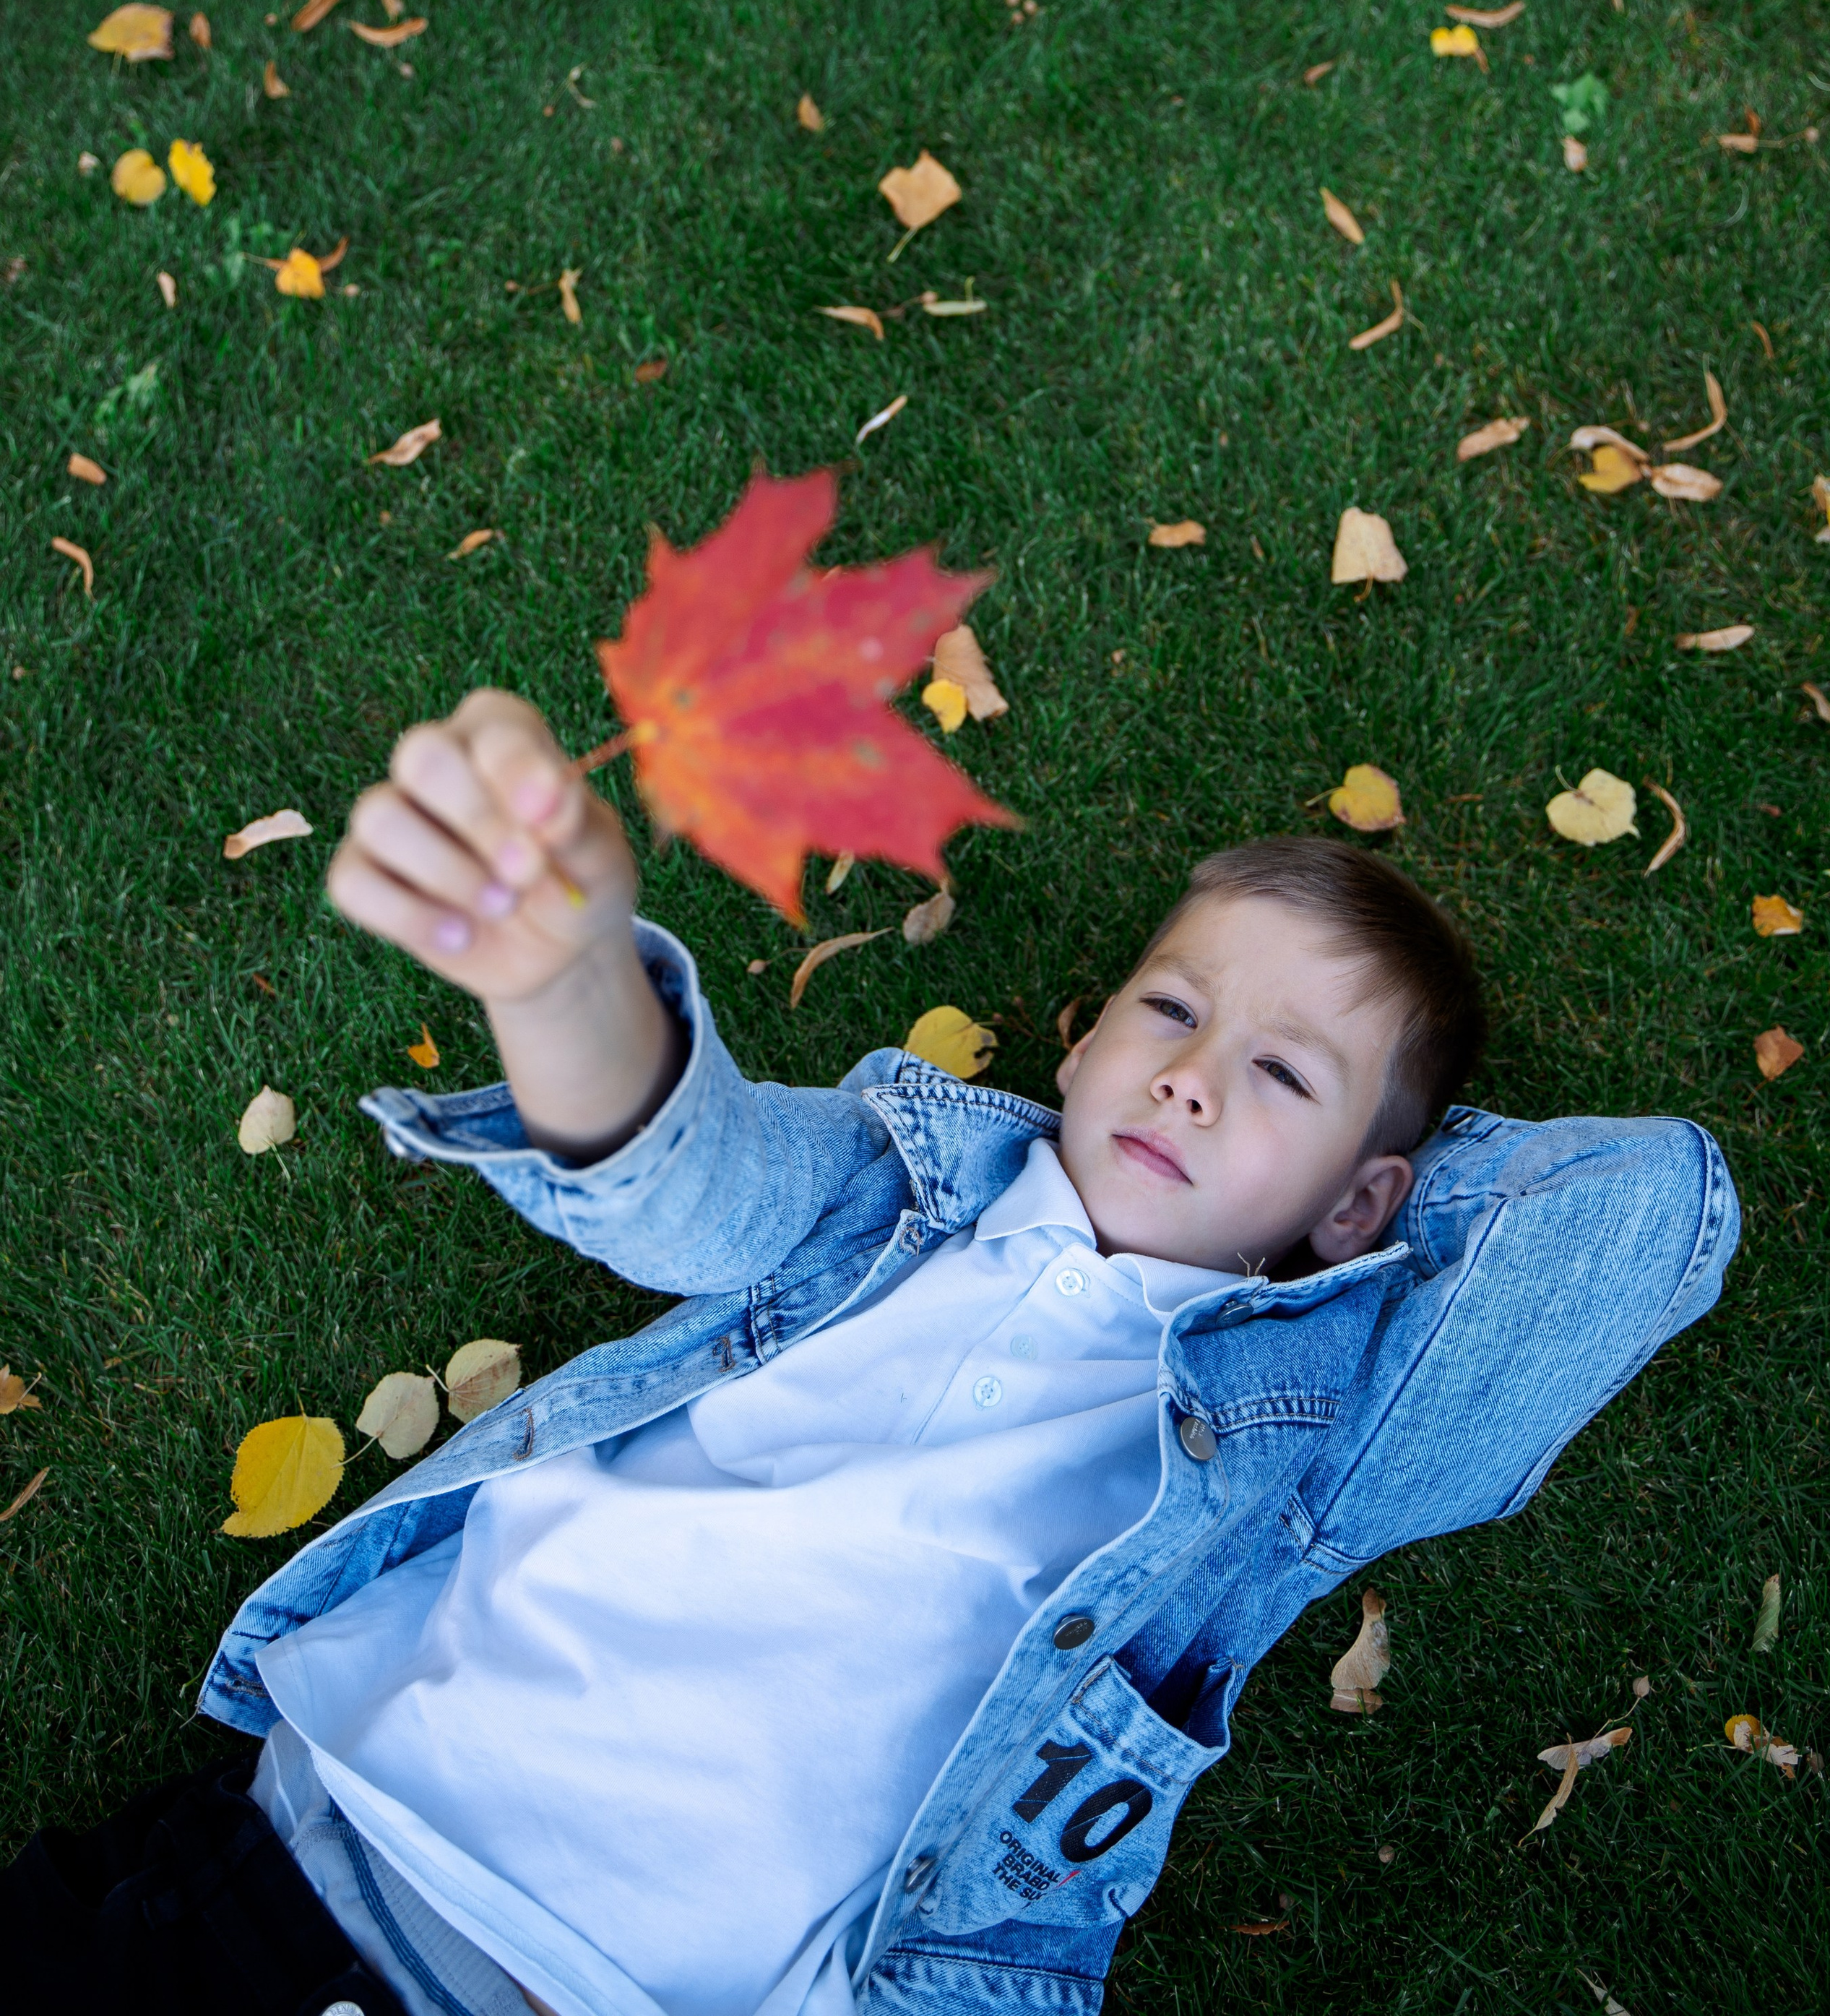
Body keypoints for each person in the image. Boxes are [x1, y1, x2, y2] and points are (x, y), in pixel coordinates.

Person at [9, 690, 1739, 2016]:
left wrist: (1354, 1220)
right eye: (1169, 1008)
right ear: (1076, 1044)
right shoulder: (898, 1185)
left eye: (1279, 1077)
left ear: (1369, 1203)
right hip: (300, 1839)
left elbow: (1641, 1213)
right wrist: (563, 982)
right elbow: (685, 1187)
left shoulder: (1297, 1439)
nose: (1194, 1073)